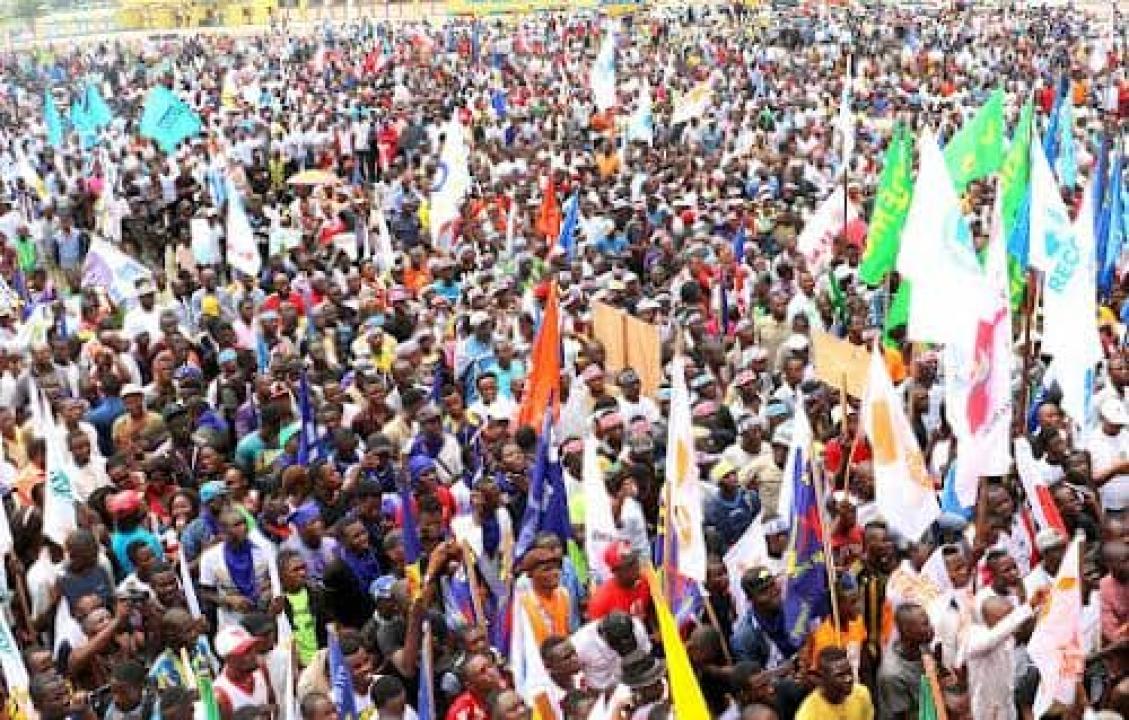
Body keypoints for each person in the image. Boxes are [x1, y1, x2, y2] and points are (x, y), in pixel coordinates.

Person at [794, 647, 874, 720]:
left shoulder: (862, 694)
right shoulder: (807, 715)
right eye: (840, 675)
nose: (849, 679)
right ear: (822, 679)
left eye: (849, 672)